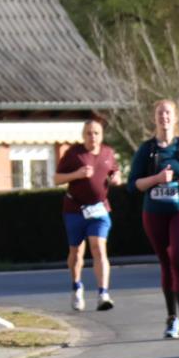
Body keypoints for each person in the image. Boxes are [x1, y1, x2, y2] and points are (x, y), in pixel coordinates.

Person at [128, 99, 179, 339]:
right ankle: (171, 319)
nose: (164, 117)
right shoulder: (147, 149)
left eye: (168, 113)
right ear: (155, 118)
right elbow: (133, 185)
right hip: (154, 213)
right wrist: (157, 179)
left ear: (175, 117)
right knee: (166, 262)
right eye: (160, 113)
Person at [53, 118, 122, 311]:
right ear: (83, 135)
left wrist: (116, 177)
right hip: (75, 209)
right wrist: (77, 174)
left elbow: (115, 172)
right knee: (76, 252)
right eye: (89, 133)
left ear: (101, 135)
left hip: (99, 210)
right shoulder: (73, 154)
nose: (93, 137)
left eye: (96, 133)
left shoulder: (108, 153)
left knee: (99, 247)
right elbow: (57, 179)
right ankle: (77, 287)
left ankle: (103, 293)